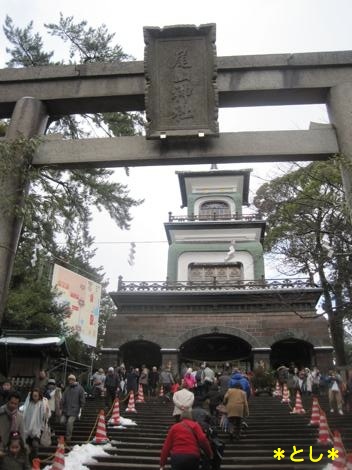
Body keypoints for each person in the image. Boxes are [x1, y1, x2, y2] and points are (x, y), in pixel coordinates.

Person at [22, 388, 51, 461]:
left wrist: (47, 412)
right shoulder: (29, 403)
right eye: (33, 395)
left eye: (36, 396)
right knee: (27, 446)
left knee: (35, 445)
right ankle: (27, 461)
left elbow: (47, 415)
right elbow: (24, 412)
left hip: (37, 428)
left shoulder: (42, 403)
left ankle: (34, 460)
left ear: (39, 396)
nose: (35, 397)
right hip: (27, 428)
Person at [60, 374, 86, 444]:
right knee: (62, 421)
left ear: (74, 380)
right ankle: (69, 430)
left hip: (75, 410)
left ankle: (68, 438)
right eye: (69, 380)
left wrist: (81, 408)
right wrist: (61, 404)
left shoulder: (80, 388)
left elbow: (82, 399)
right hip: (66, 410)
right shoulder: (67, 388)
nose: (70, 381)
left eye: (71, 379)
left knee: (69, 422)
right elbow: (63, 398)